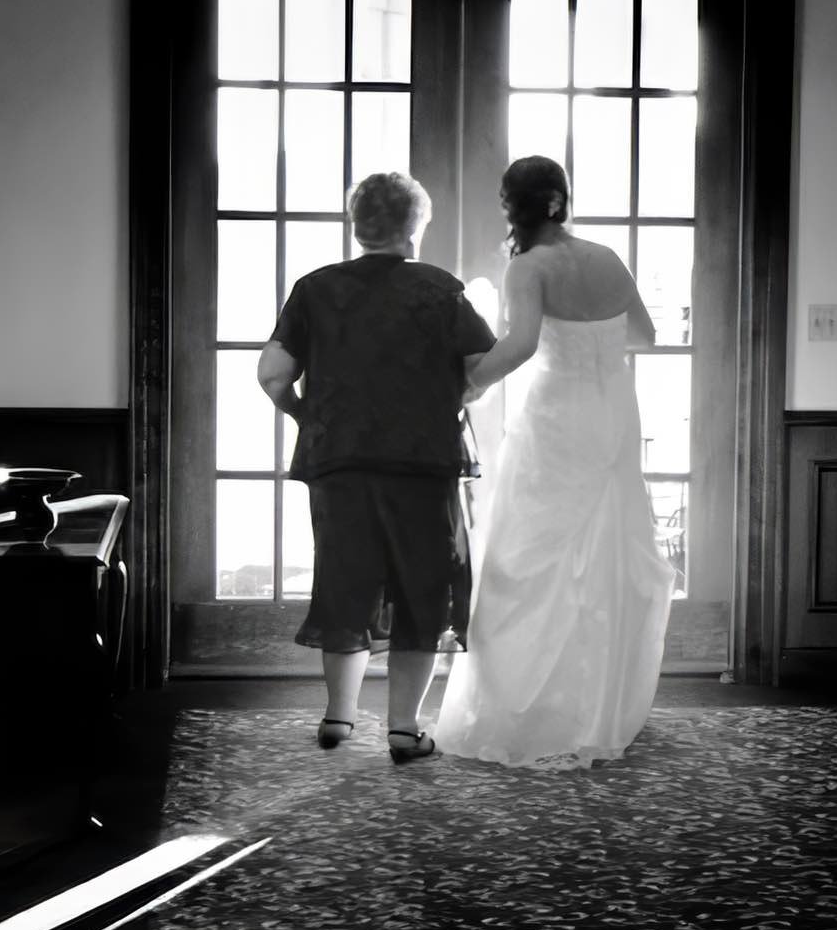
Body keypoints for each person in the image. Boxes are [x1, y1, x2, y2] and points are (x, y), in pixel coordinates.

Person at [435, 155, 675, 768]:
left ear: (511, 206)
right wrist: (594, 343)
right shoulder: (606, 257)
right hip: (613, 410)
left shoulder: (528, 266)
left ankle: (534, 708)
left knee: (529, 551)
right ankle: (599, 706)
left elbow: (520, 345)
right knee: (604, 550)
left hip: (556, 414)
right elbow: (645, 335)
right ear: (561, 198)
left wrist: (467, 386)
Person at [257, 172, 495, 763]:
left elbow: (272, 375)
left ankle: (338, 718)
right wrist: (451, 394)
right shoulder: (440, 290)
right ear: (417, 227)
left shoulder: (315, 289)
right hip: (422, 460)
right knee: (424, 586)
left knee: (345, 579)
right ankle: (404, 730)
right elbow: (480, 369)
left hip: (339, 459)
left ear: (356, 224)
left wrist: (306, 414)